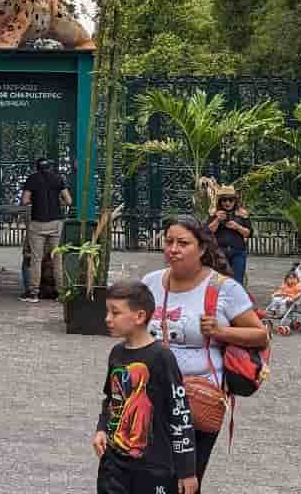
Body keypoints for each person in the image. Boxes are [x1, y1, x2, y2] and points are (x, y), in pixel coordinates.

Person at [142, 215, 268, 486]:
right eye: (169, 242)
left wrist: (221, 332)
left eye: (183, 243)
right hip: (150, 396)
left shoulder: (223, 289)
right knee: (148, 478)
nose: (173, 249)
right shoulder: (150, 283)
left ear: (201, 249)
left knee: (184, 480)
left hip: (196, 400)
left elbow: (260, 334)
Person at [93, 281, 198, 494]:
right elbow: (111, 398)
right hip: (113, 466)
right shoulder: (117, 353)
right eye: (107, 312)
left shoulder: (161, 357)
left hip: (153, 468)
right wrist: (102, 428)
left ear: (140, 317)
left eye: (115, 313)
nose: (108, 319)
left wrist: (187, 470)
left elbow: (180, 413)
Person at [20, 158, 71, 304]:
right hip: (55, 223)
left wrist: (36, 201)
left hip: (38, 223)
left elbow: (25, 200)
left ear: (37, 168)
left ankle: (34, 293)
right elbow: (68, 201)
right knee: (57, 258)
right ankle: (61, 293)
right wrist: (56, 201)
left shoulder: (32, 179)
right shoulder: (58, 179)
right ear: (50, 167)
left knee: (36, 259)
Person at [204, 186, 252, 285]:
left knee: (237, 281)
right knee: (218, 281)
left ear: (235, 201)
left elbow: (249, 233)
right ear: (220, 201)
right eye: (224, 200)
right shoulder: (214, 213)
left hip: (237, 251)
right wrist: (217, 219)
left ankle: (235, 300)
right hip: (219, 251)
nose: (227, 203)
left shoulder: (242, 213)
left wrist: (237, 227)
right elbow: (207, 231)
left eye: (231, 200)